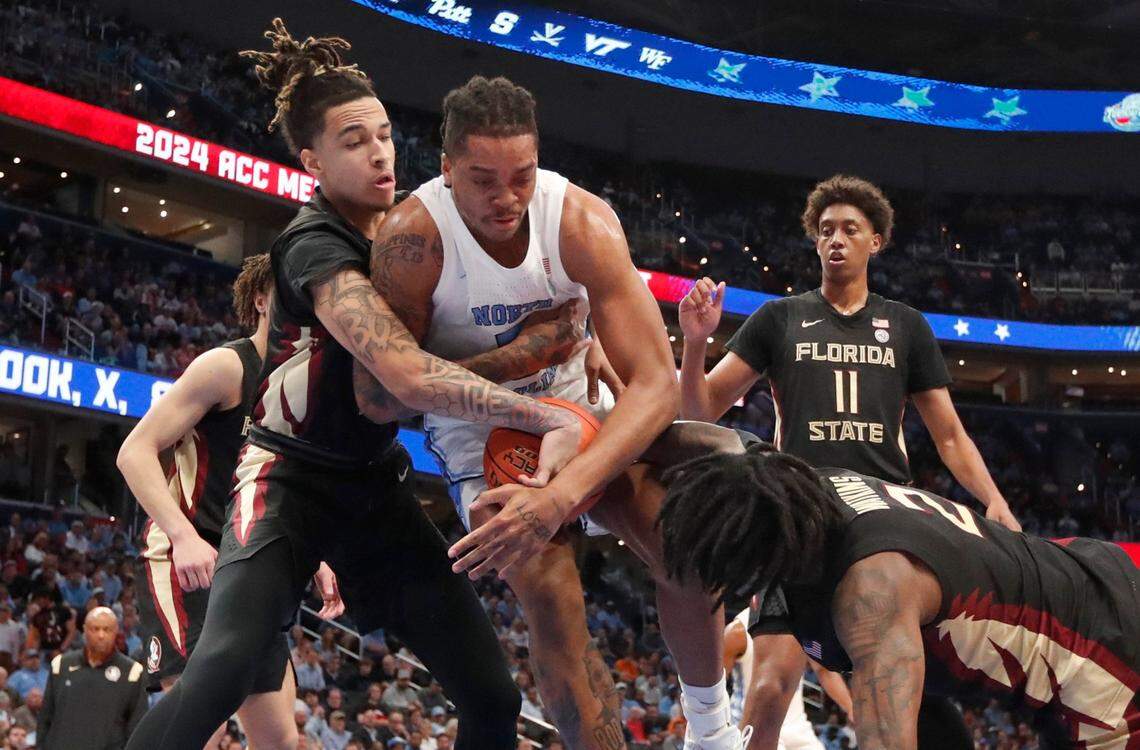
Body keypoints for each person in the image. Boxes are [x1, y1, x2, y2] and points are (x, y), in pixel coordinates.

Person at [125, 19, 579, 750]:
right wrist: (535, 405)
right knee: (222, 668)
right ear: (311, 159)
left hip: (375, 490)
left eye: (384, 136)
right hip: (288, 480)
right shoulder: (312, 242)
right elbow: (398, 371)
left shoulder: (414, 230)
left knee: (492, 699)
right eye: (353, 141)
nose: (378, 154)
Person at [355, 75, 738, 750]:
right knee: (552, 593)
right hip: (479, 429)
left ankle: (712, 732)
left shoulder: (579, 221)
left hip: (577, 408)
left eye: (521, 176)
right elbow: (378, 398)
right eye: (482, 180)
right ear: (446, 170)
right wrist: (523, 353)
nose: (506, 198)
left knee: (681, 543)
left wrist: (561, 493)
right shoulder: (414, 240)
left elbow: (652, 383)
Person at [677, 174, 1018, 749]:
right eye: (825, 229)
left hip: (882, 517)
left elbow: (951, 436)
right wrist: (694, 343)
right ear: (815, 242)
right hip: (798, 513)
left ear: (875, 241)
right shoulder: (779, 319)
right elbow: (700, 410)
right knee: (768, 689)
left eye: (850, 229)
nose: (836, 239)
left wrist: (993, 499)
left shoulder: (907, 325)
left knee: (882, 696)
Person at [658, 428, 1140, 749]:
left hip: (1102, 656)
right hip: (1085, 571)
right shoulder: (783, 484)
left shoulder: (870, 593)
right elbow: (710, 437)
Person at [118, 254, 320, 749]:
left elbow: (300, 481)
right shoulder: (226, 366)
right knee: (198, 733)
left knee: (280, 740)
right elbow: (134, 452)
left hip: (252, 558)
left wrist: (323, 554)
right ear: (261, 299)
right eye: (290, 290)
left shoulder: (312, 383)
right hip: (189, 551)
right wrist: (183, 536)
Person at [723, 607, 851, 750]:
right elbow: (717, 689)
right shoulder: (737, 633)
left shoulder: (803, 627)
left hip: (797, 729)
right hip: (753, 728)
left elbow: (824, 670)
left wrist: (852, 710)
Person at [36, 607, 148, 749]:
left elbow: (137, 727)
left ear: (116, 631)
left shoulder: (133, 672)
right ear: (85, 630)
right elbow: (45, 717)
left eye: (106, 629)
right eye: (95, 629)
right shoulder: (61, 665)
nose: (101, 635)